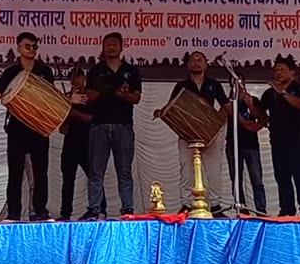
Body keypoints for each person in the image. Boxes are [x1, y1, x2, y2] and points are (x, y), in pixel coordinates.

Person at [0, 32, 56, 221]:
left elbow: (51, 96)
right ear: (18, 47)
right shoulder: (11, 72)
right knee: (16, 171)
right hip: (17, 127)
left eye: (35, 46)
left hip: (39, 125)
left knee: (40, 171)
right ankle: (14, 212)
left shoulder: (45, 71)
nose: (32, 50)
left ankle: (40, 211)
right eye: (28, 46)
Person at [155, 51, 230, 215]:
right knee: (186, 169)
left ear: (205, 64)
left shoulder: (214, 84)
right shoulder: (181, 86)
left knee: (213, 170)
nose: (196, 63)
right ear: (188, 65)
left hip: (210, 136)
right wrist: (161, 112)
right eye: (193, 60)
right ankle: (187, 204)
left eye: (200, 60)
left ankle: (216, 206)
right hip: (186, 135)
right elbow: (171, 107)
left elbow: (226, 106)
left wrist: (217, 122)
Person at [83, 32, 142, 219]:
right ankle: (94, 208)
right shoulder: (95, 70)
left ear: (121, 47)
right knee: (96, 171)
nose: (110, 47)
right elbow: (88, 98)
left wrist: (123, 94)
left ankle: (127, 209)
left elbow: (137, 98)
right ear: (103, 47)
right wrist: (101, 88)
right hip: (99, 125)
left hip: (123, 125)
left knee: (124, 170)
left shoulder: (131, 70)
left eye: (114, 44)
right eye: (107, 44)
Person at [254, 57, 300, 217]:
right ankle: (286, 211)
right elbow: (262, 116)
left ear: (292, 72)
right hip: (277, 142)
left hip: (297, 142)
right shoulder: (269, 93)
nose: (278, 73)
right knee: (282, 178)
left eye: (282, 70)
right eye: (276, 70)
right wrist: (250, 103)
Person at [59, 69, 105, 219]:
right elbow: (62, 125)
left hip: (88, 143)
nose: (75, 82)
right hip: (70, 142)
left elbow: (93, 119)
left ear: (83, 77)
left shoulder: (89, 97)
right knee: (67, 180)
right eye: (72, 79)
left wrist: (75, 113)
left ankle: (100, 209)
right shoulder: (69, 98)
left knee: (94, 177)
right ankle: (65, 213)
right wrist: (64, 123)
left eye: (77, 78)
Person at [226, 83, 268, 216]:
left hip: (251, 145)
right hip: (233, 145)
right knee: (236, 179)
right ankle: (242, 209)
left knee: (257, 179)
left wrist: (250, 105)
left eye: (240, 84)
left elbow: (263, 118)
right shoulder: (229, 102)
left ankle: (261, 210)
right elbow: (224, 116)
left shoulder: (253, 100)